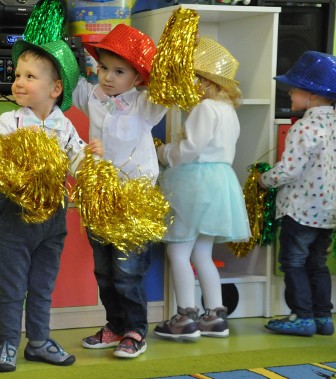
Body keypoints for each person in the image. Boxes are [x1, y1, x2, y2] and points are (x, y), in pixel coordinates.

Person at [0, 37, 102, 372]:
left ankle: (38, 341)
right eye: (17, 74)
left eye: (29, 76)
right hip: (16, 215)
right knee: (11, 288)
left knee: (42, 286)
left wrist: (90, 156)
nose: (18, 82)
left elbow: (77, 165)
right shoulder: (10, 122)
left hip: (53, 217)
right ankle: (7, 343)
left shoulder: (63, 125)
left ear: (55, 89)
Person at [72, 23, 166, 358]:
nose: (108, 77)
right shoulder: (93, 97)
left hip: (134, 201)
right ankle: (114, 326)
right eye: (103, 68)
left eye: (119, 71)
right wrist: (67, 48)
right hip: (100, 196)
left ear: (138, 77)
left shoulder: (146, 104)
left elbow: (167, 90)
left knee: (128, 271)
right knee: (105, 270)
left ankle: (135, 330)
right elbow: (69, 81)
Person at [153, 37, 250, 341]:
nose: (188, 83)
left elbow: (190, 150)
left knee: (178, 250)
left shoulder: (205, 108)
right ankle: (216, 316)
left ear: (205, 81)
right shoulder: (228, 110)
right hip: (221, 182)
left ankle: (185, 316)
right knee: (202, 253)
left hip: (195, 183)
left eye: (192, 77)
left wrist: (164, 153)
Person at [259, 51, 336, 337]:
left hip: (300, 209)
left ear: (313, 95)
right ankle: (323, 317)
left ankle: (302, 317)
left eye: (295, 87)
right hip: (328, 210)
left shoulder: (305, 127)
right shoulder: (333, 124)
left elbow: (289, 170)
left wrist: (264, 180)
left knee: (293, 262)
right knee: (317, 263)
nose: (289, 91)